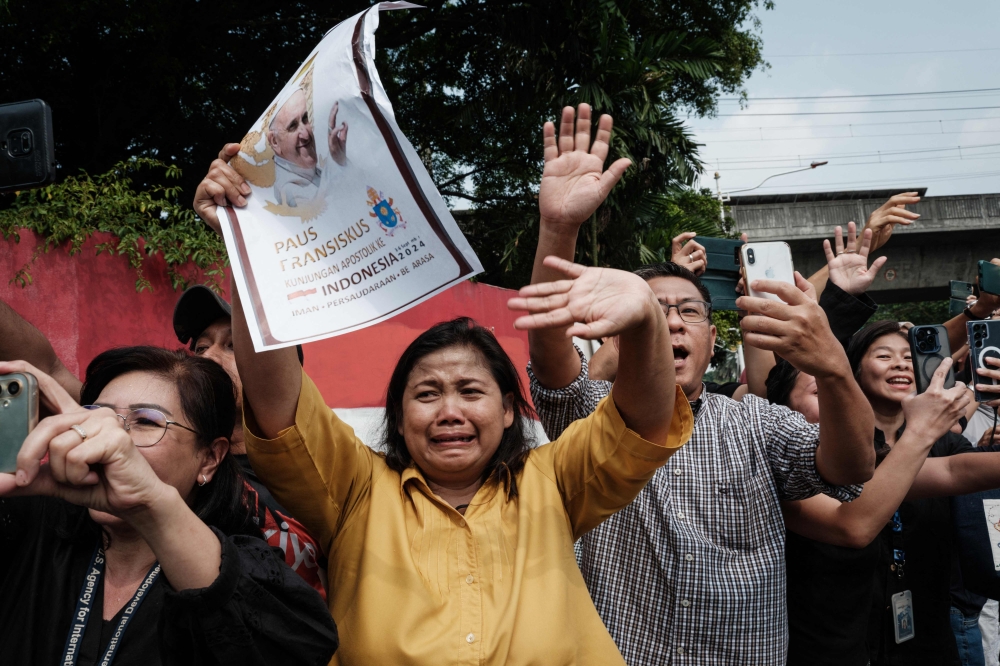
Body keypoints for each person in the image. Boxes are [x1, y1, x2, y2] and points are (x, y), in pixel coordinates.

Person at [194, 137, 694, 663]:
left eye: (470, 391)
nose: (449, 412)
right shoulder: (356, 491)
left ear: (507, 412)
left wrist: (645, 322)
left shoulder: (552, 483)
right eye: (427, 394)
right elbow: (278, 403)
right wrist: (246, 238)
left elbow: (641, 419)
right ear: (400, 417)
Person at [527, 104, 876, 665]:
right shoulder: (595, 416)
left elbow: (852, 467)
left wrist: (834, 366)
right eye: (652, 309)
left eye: (688, 311)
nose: (671, 322)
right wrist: (559, 227)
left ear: (713, 341)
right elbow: (548, 346)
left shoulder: (758, 423)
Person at [0, 350, 338, 665]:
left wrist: (151, 503)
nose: (110, 440)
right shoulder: (35, 523)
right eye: (95, 417)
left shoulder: (243, 560)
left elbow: (303, 647)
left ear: (209, 458)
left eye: (146, 421)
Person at [0, 289, 328, 596]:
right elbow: (47, 369)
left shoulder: (323, 476)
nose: (209, 356)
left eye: (232, 346)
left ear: (212, 459)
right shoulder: (124, 427)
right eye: (200, 347)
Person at [267, 88, 349, 208]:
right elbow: (321, 211)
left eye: (305, 119)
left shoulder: (306, 168)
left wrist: (341, 160)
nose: (306, 135)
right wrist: (336, 162)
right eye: (293, 126)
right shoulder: (286, 189)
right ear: (275, 142)